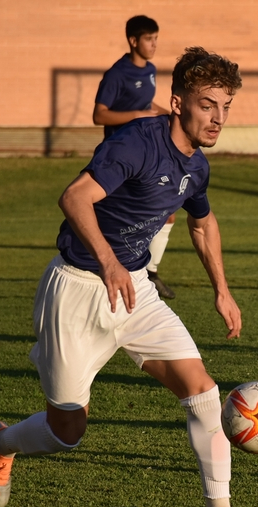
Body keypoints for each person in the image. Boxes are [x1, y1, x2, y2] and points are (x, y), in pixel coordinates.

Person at [0, 47, 258, 507]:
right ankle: (2, 443)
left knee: (203, 393)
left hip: (135, 291)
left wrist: (223, 292)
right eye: (208, 105)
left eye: (226, 107)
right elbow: (75, 197)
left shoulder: (196, 166)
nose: (219, 118)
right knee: (67, 431)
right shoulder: (135, 144)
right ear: (178, 101)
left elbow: (202, 224)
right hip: (77, 290)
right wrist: (110, 261)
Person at [93, 15, 177, 300]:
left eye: (156, 39)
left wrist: (168, 114)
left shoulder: (150, 70)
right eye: (149, 39)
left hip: (149, 151)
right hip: (121, 156)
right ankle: (104, 270)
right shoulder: (117, 74)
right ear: (133, 41)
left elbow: (145, 104)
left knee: (169, 210)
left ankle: (150, 272)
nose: (154, 44)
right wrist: (138, 115)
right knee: (118, 219)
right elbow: (99, 114)